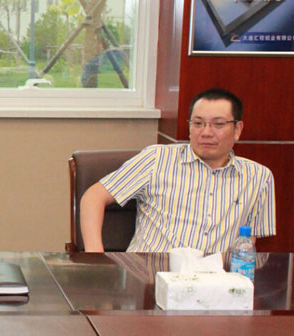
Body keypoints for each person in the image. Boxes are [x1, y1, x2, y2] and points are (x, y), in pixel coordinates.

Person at [80, 88, 275, 253]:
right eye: (198, 123)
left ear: (238, 129)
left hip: (216, 279)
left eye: (218, 124)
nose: (206, 132)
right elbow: (93, 197)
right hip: (150, 276)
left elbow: (249, 243)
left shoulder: (258, 177)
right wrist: (96, 257)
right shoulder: (157, 159)